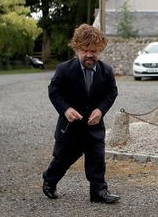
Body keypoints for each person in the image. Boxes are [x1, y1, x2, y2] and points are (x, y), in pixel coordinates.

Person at [42, 24, 120, 204]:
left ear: (100, 50)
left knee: (97, 158)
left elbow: (112, 93)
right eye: (85, 50)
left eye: (94, 50)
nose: (90, 55)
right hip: (69, 128)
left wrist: (100, 110)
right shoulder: (64, 69)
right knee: (63, 159)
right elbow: (53, 91)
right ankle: (49, 179)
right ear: (77, 48)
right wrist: (66, 109)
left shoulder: (106, 71)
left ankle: (99, 191)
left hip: (94, 128)